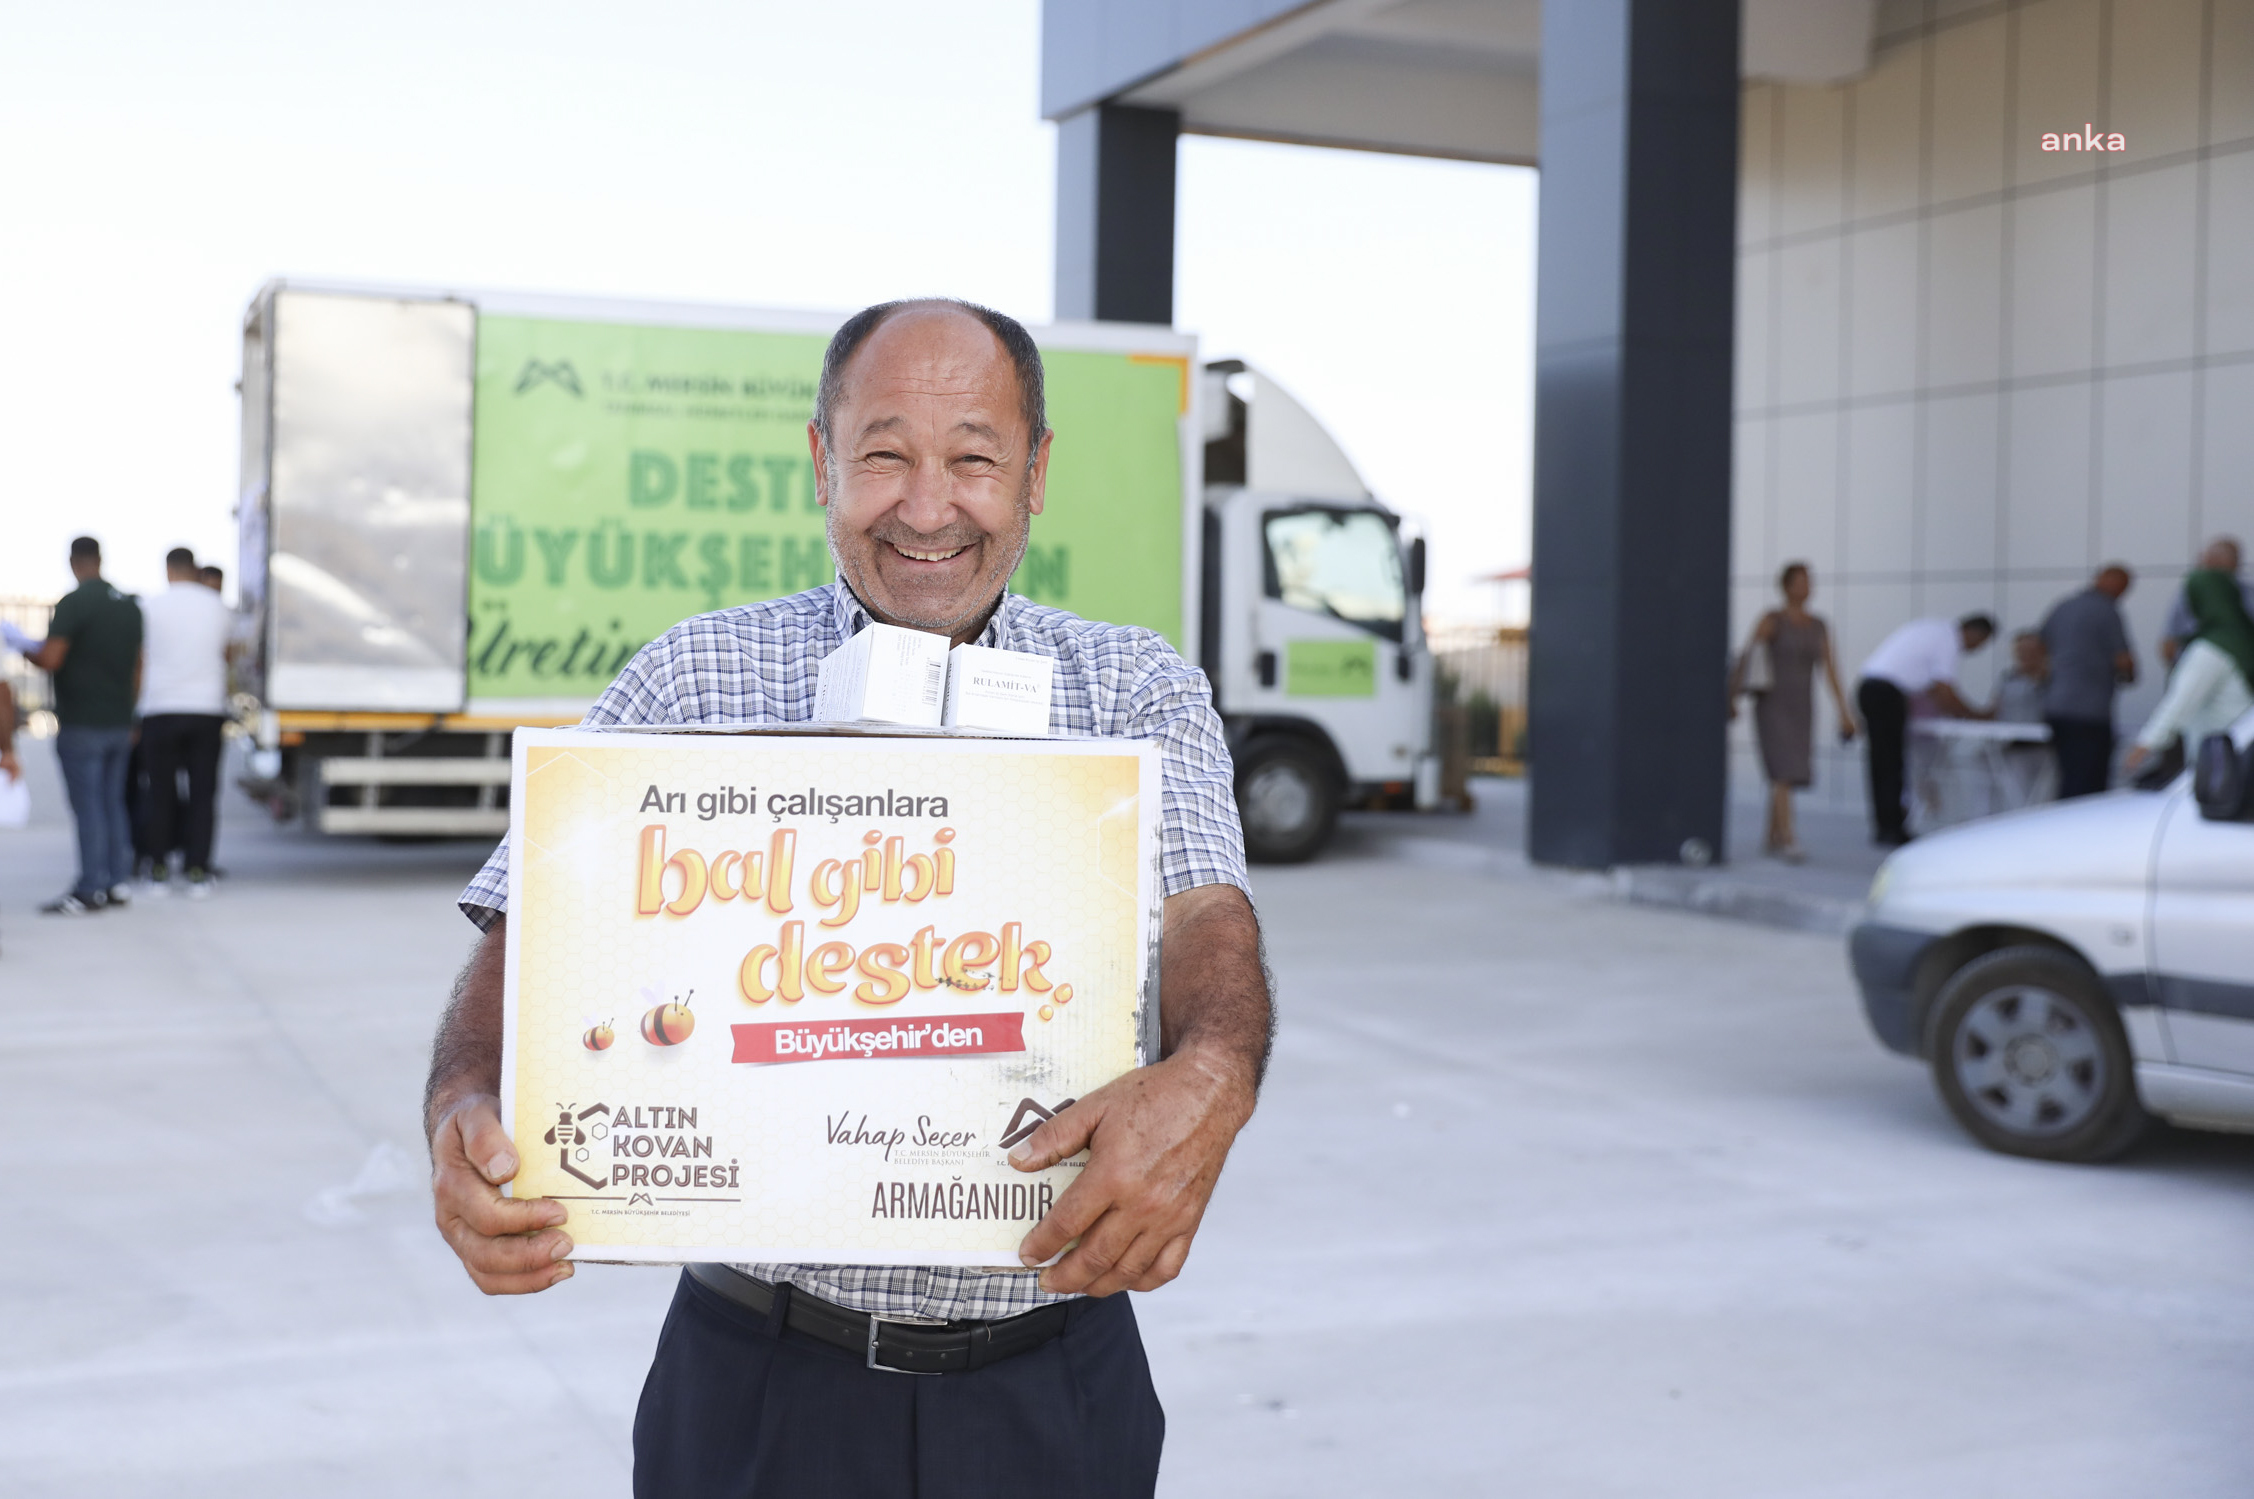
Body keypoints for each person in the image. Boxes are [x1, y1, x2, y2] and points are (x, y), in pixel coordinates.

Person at [423, 299, 1271, 1498]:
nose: (927, 507)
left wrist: (1215, 1068)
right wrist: (462, 1094)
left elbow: (1208, 918)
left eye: (973, 457)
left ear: (1034, 474)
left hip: (1052, 1383)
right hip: (761, 1382)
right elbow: (531, 931)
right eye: (884, 454)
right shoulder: (693, 678)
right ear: (822, 462)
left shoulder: (1133, 690)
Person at [19, 538, 143, 914]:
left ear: (73, 562)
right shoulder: (129, 607)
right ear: (100, 561)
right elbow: (139, 666)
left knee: (89, 807)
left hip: (83, 721)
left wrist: (24, 648)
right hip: (120, 721)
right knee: (113, 803)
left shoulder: (74, 603)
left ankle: (91, 887)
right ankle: (116, 881)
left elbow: (52, 658)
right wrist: (131, 713)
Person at [1727, 561, 1855, 862]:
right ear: (1786, 586)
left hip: (1801, 704)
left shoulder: (1818, 624)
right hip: (1773, 703)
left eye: (1809, 581)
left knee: (1790, 768)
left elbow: (1830, 668)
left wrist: (1843, 710)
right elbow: (1748, 657)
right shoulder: (1772, 620)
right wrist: (1732, 697)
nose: (1806, 587)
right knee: (1782, 768)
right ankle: (1788, 836)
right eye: (1800, 581)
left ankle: (1772, 834)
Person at [138, 546, 233, 897]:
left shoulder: (150, 606)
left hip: (160, 707)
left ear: (168, 570)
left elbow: (140, 659)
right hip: (206, 709)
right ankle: (197, 869)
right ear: (194, 569)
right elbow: (228, 655)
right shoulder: (217, 607)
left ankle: (158, 869)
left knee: (159, 792)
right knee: (203, 794)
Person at [1856, 612, 1995, 846]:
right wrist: (1976, 716)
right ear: (1975, 633)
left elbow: (1933, 688)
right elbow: (1944, 690)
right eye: (1979, 644)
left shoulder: (1931, 629)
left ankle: (1885, 825)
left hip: (1870, 689)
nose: (1974, 650)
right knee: (1890, 764)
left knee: (1882, 763)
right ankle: (1892, 828)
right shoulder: (1949, 640)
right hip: (1886, 694)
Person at [2124, 569, 2254, 777]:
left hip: (2221, 764)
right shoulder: (2244, 639)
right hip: (2243, 756)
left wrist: (2145, 745)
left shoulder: (2211, 649)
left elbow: (2181, 701)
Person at [2037, 564, 2135, 797]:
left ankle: (2064, 827)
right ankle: (2080, 831)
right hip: (2089, 711)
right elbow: (2124, 661)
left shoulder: (2063, 606)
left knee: (2069, 776)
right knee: (2089, 784)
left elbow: (2039, 649)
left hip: (2057, 706)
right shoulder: (2106, 610)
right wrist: (2128, 675)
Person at [2159, 538, 2254, 668]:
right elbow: (2169, 642)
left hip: (2239, 666)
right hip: (2194, 662)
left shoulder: (2247, 594)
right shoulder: (2188, 595)